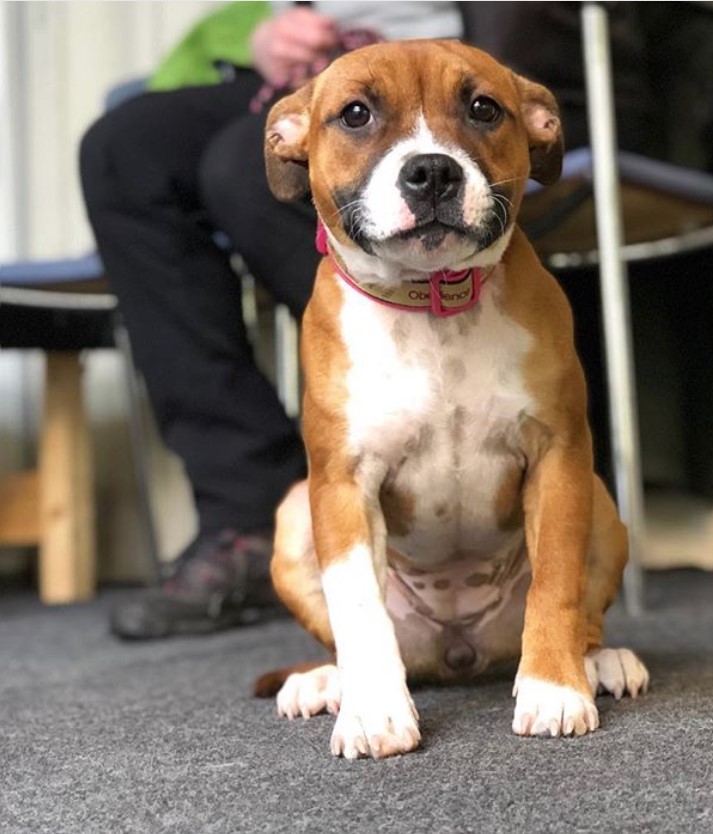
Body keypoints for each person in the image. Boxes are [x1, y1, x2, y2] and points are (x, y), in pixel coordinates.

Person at [80, 2, 464, 639]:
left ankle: (435, 446)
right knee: (123, 149)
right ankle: (251, 513)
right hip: (326, 76)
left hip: (461, 66)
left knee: (240, 167)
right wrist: (263, 37)